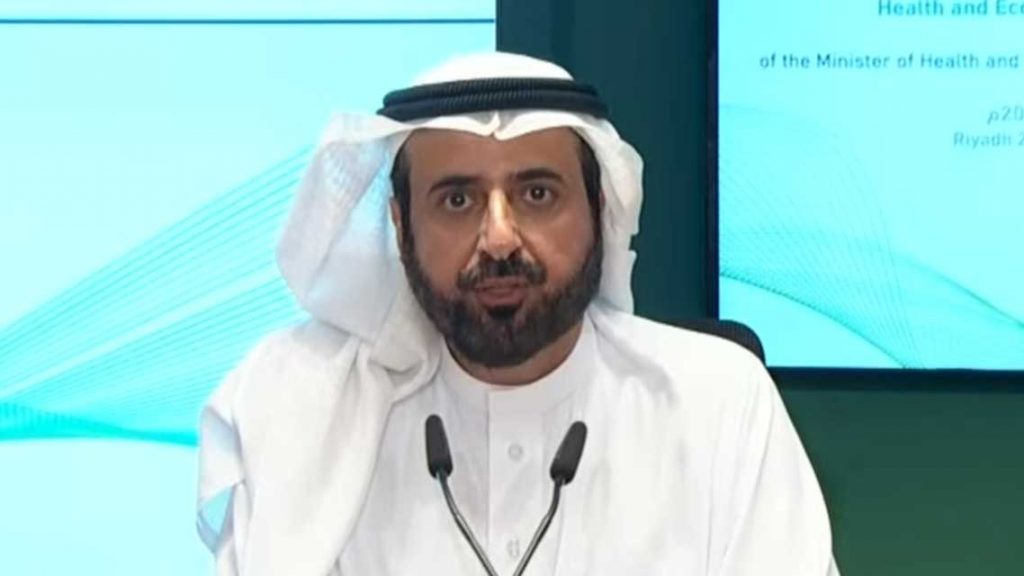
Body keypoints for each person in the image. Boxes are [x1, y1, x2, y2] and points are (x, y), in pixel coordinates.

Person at [196, 52, 840, 576]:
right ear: (400, 223)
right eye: (457, 200)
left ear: (599, 209)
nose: (499, 238)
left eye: (537, 193)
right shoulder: (298, 414)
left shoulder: (717, 402)